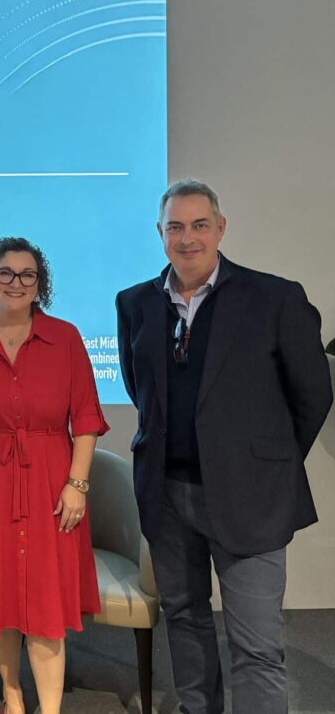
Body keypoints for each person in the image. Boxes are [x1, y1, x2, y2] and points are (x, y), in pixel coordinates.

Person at [116, 179, 332, 714]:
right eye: (175, 227)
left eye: (199, 225)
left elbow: (313, 396)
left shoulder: (276, 297)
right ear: (160, 233)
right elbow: (137, 388)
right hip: (168, 496)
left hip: (251, 498)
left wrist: (265, 464)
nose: (187, 238)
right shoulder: (136, 303)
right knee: (186, 625)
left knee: (256, 645)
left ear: (220, 229)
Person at [0, 237, 106, 714]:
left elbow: (88, 419)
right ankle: (13, 699)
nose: (16, 283)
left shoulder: (67, 338)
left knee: (46, 603)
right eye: (6, 273)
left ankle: (48, 709)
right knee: (0, 598)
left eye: (27, 274)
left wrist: (77, 486)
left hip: (51, 482)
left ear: (40, 284)